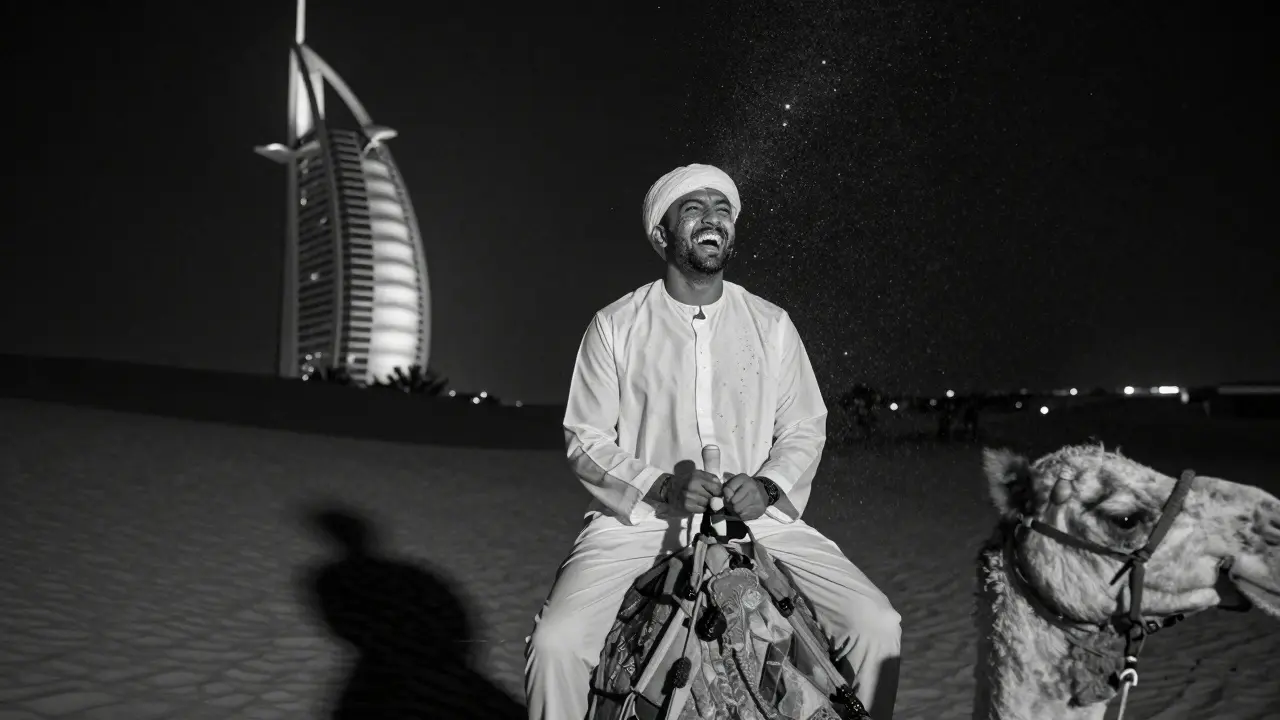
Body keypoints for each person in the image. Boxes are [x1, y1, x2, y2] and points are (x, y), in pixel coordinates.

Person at [524, 164, 902, 719]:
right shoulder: (615, 324)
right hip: (641, 523)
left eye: (722, 209)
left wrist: (768, 487)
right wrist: (660, 484)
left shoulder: (771, 324)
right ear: (662, 234)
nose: (713, 218)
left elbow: (804, 425)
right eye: (694, 208)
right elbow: (585, 437)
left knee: (877, 624)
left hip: (759, 520)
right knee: (555, 644)